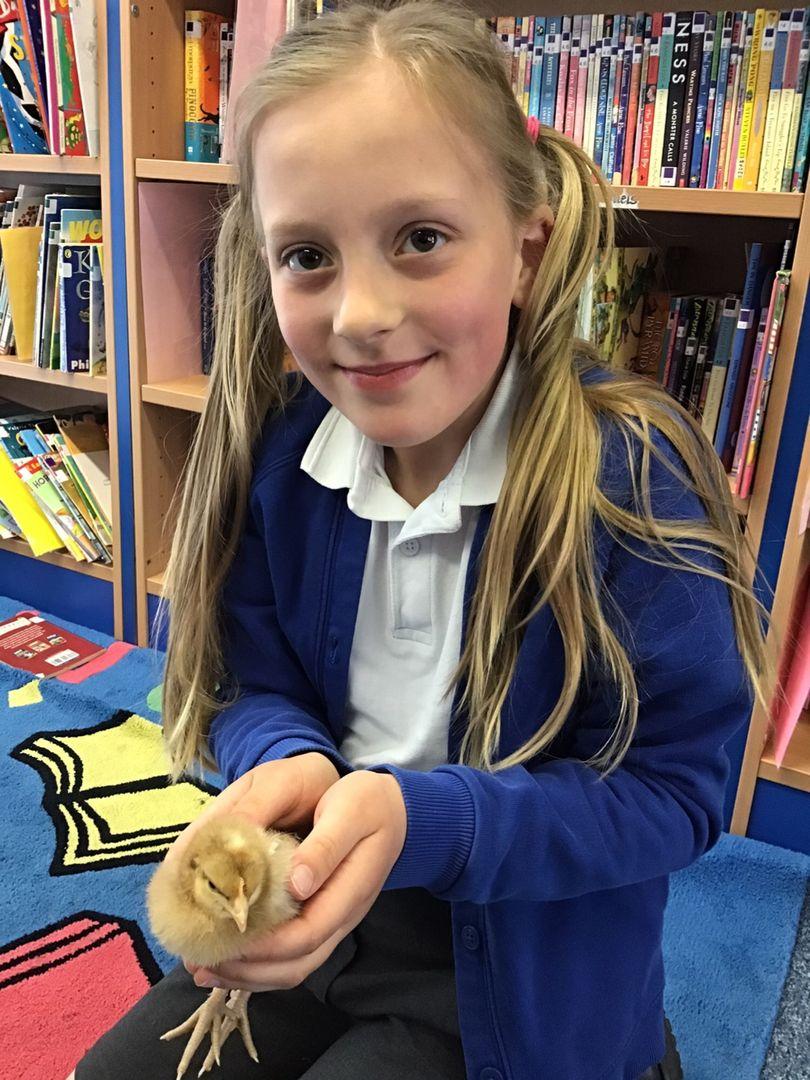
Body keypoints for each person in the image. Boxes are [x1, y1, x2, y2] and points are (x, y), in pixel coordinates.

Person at [73, 1, 776, 1077]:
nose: (359, 313)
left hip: (524, 962)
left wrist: (424, 820)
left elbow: (674, 793)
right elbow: (248, 684)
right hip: (319, 895)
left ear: (527, 249)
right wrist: (289, 762)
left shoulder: (630, 481)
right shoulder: (287, 457)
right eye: (308, 255)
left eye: (421, 240)